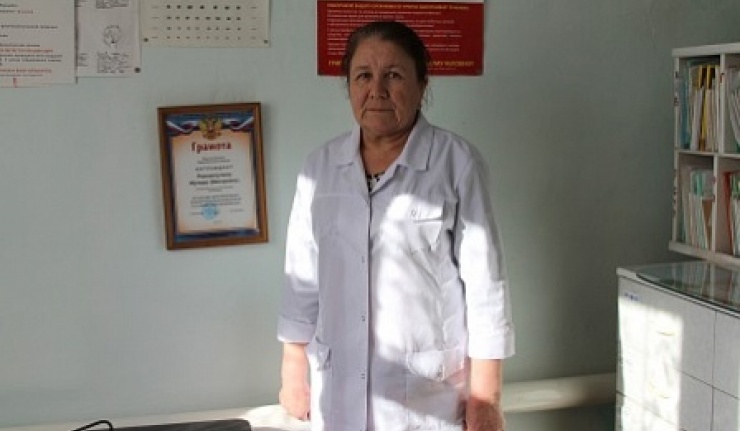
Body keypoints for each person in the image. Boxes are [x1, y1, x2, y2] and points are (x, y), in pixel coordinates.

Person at [277, 20, 514, 431]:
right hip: (338, 391)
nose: (377, 90)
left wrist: (486, 399)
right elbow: (301, 279)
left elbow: (485, 287)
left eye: (394, 75)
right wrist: (293, 371)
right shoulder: (319, 169)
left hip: (427, 397)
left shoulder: (457, 163)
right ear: (349, 86)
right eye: (363, 76)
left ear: (422, 84)